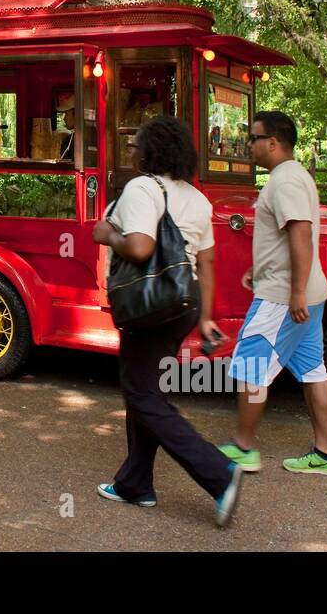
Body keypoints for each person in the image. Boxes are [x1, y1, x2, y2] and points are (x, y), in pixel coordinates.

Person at [91, 115, 244, 527]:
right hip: (183, 303)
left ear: (150, 151)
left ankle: (219, 474)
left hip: (150, 303)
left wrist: (107, 235)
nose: (133, 150)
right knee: (145, 387)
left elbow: (140, 247)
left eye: (137, 144)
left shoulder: (142, 188)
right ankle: (135, 483)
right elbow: (207, 263)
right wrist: (206, 318)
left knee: (143, 395)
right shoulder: (197, 198)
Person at [220, 110, 327, 477]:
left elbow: (300, 235)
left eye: (253, 139)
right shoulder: (293, 176)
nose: (249, 146)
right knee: (311, 369)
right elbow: (283, 238)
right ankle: (326, 454)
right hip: (299, 290)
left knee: (250, 365)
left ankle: (243, 448)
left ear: (272, 143)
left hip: (283, 298)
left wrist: (296, 293)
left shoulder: (284, 181)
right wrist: (258, 269)